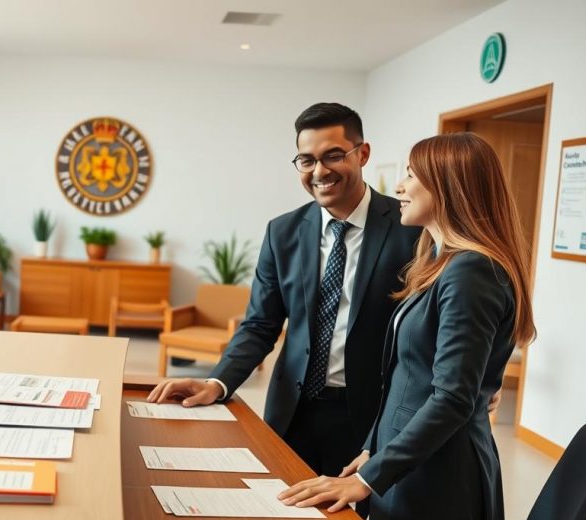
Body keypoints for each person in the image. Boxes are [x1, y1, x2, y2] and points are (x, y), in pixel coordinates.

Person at [279, 132, 535, 520]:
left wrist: (367, 479)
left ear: (449, 186)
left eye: (412, 175)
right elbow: (406, 377)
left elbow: (452, 398)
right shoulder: (444, 263)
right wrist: (372, 450)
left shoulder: (472, 272)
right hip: (411, 477)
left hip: (440, 494)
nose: (399, 186)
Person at [147, 102, 423, 478]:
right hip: (293, 411)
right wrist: (218, 380)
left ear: (363, 154)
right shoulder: (282, 232)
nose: (320, 171)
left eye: (333, 156)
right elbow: (260, 324)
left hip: (374, 416)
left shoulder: (412, 231)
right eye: (306, 161)